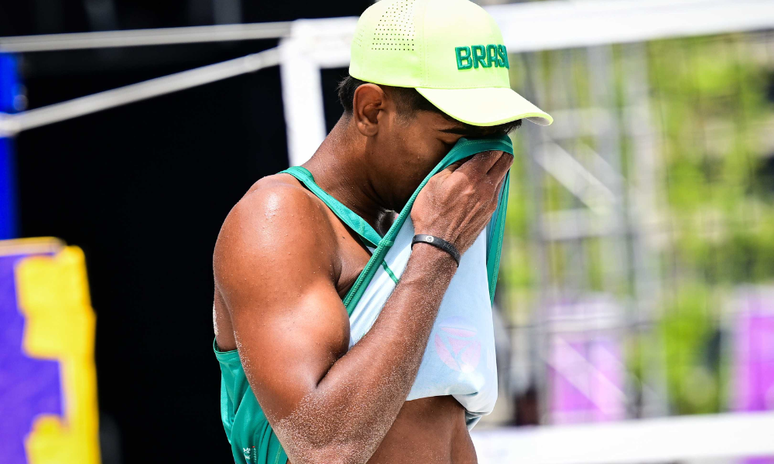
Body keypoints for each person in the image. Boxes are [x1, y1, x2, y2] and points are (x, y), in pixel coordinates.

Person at [212, 0, 552, 463]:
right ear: (371, 110)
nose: (472, 169)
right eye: (454, 143)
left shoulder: (402, 230)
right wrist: (437, 251)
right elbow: (324, 449)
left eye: (490, 142)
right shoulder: (279, 218)